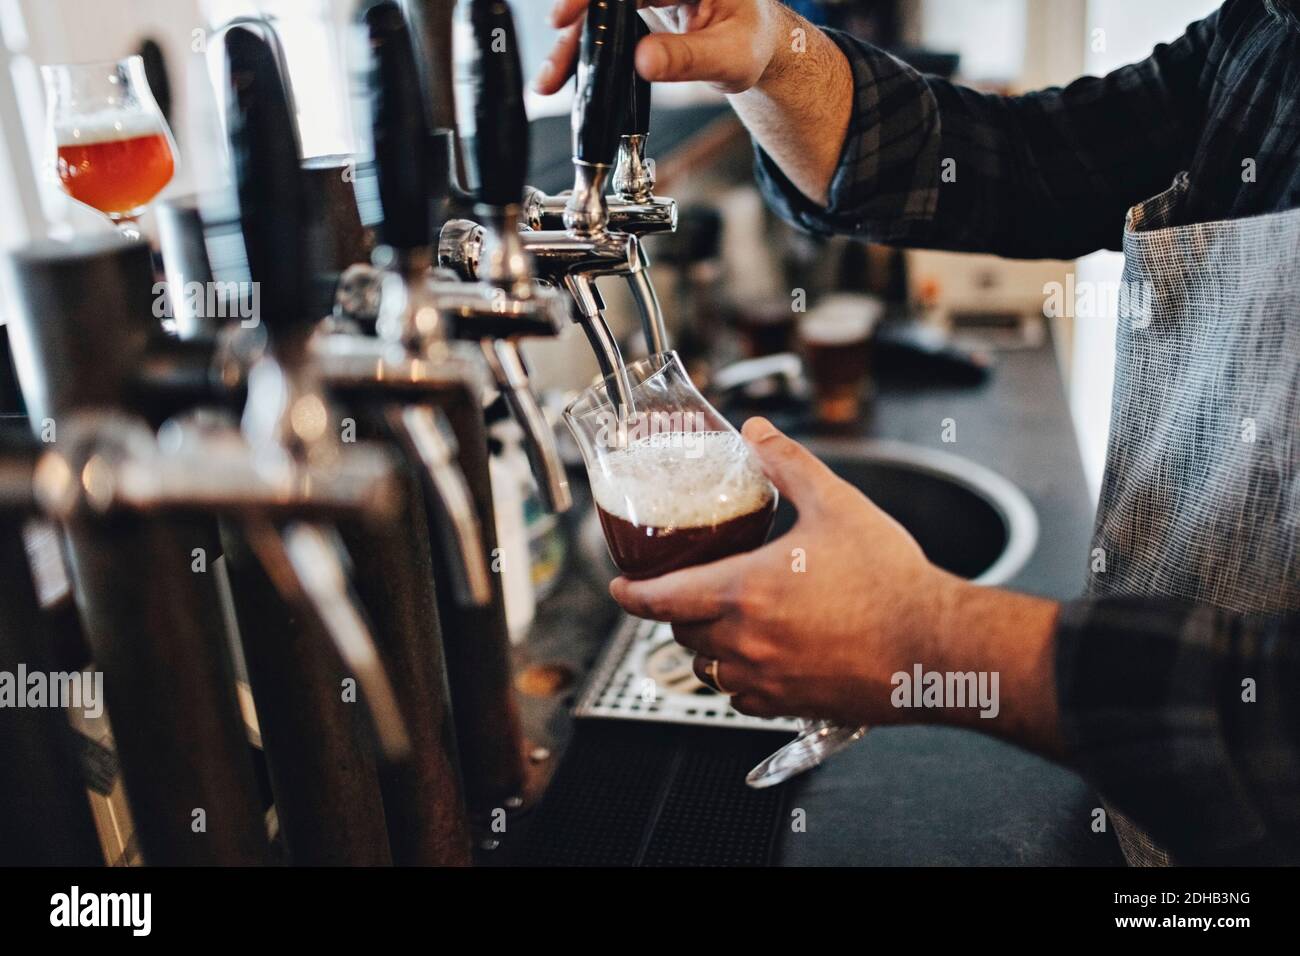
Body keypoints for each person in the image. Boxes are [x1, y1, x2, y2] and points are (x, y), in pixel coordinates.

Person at [537, 0, 1300, 866]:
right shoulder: (1266, 34)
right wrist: (772, 52)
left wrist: (929, 640)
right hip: (1155, 820)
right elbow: (1024, 161)